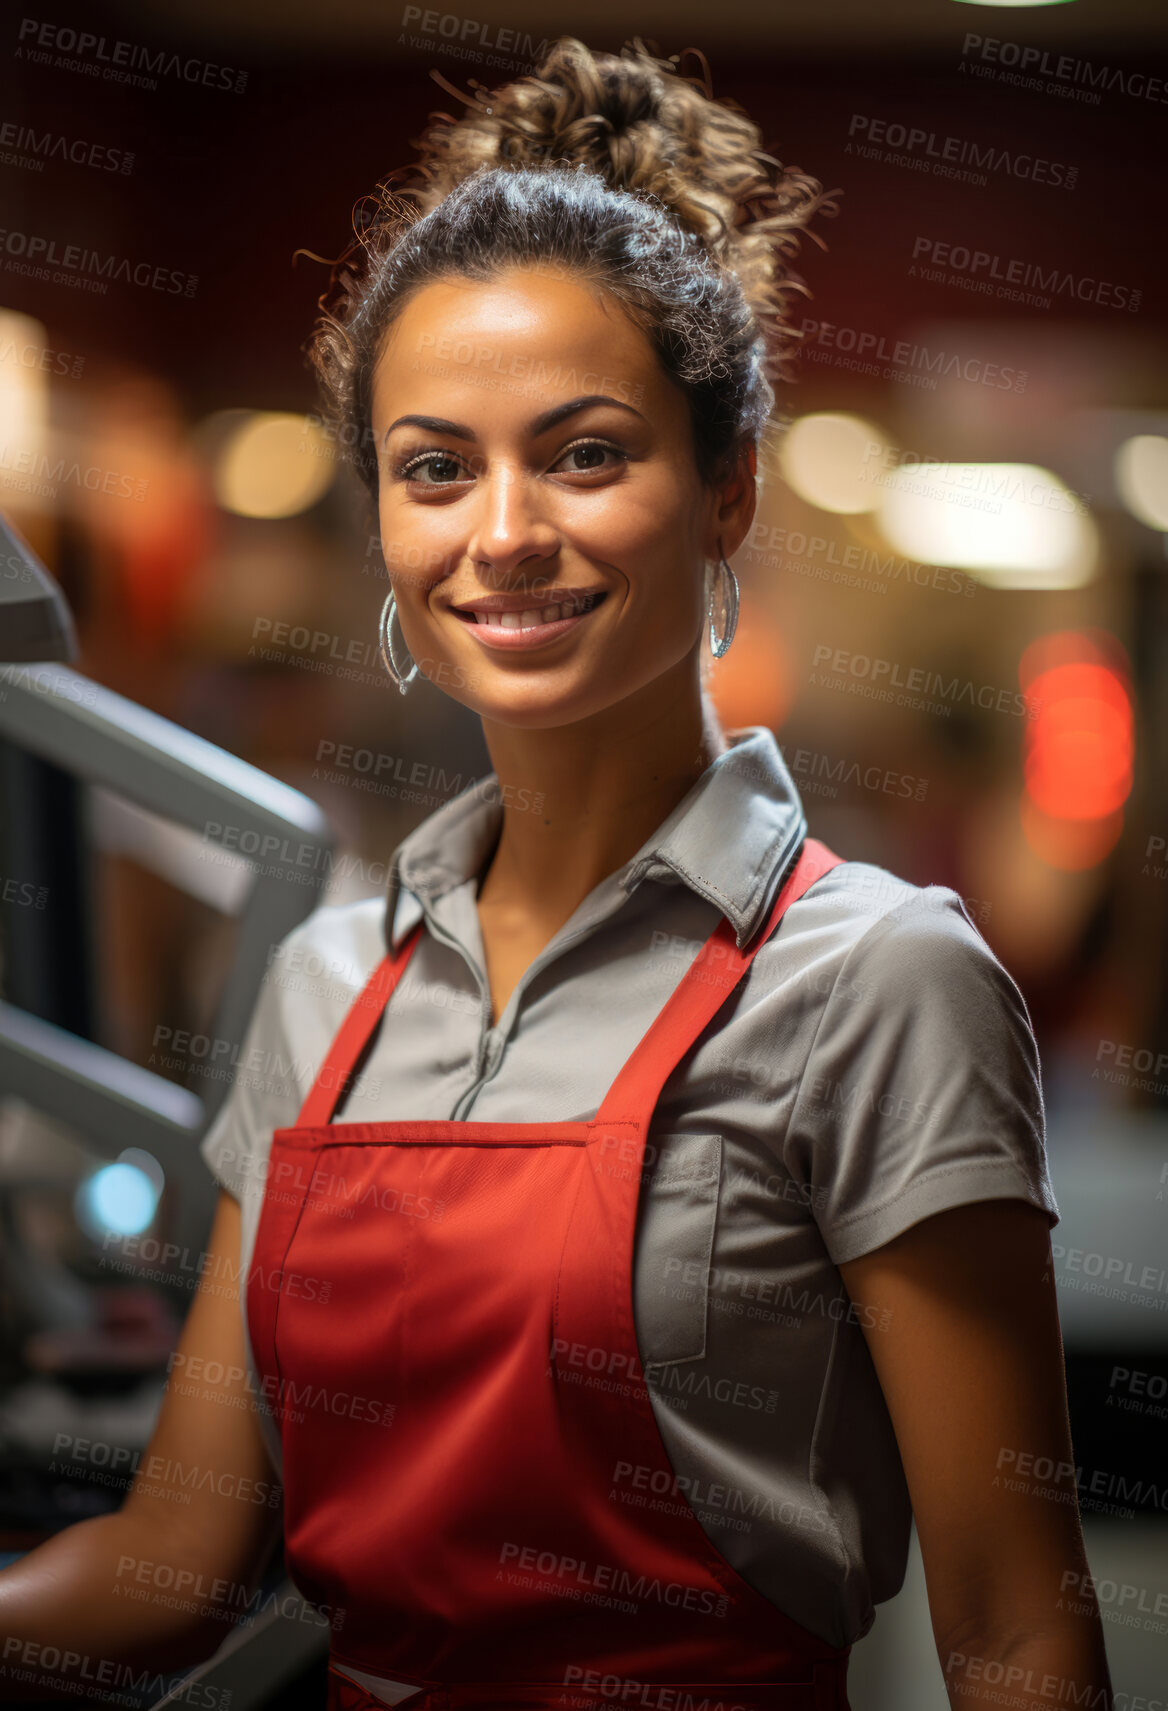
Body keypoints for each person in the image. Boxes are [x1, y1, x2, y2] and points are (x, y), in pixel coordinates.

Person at [0, 36, 1112, 1711]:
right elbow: (171, 1571)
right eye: (435, 467)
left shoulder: (878, 981)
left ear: (727, 488)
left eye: (586, 454)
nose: (502, 531)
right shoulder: (326, 983)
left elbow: (1018, 1632)